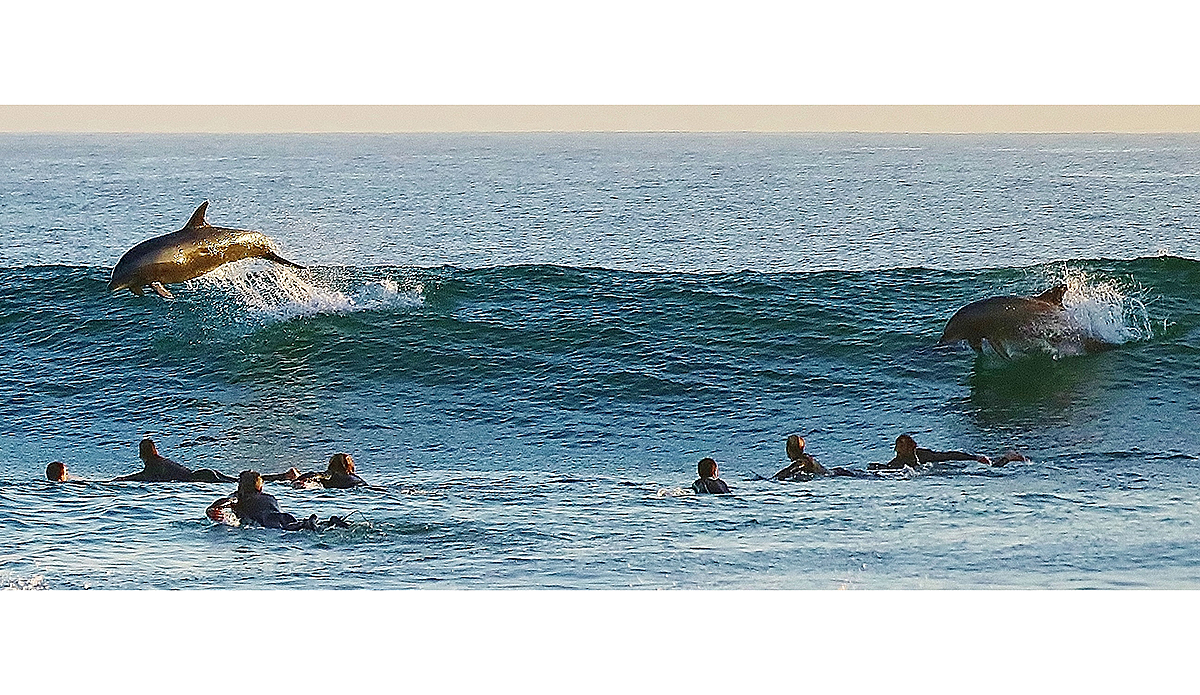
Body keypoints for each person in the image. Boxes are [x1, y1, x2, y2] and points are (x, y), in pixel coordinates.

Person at [113, 438, 298, 483]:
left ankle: (284, 476)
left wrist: (121, 480)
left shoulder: (153, 465)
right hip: (203, 473)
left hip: (201, 478)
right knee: (238, 481)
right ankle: (284, 476)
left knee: (239, 482)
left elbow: (142, 477)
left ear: (142, 453)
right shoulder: (160, 461)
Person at [206, 470, 319, 531]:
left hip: (264, 520)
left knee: (288, 528)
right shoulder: (269, 496)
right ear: (260, 488)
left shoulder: (240, 497)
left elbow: (229, 501)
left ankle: (306, 524)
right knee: (293, 525)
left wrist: (213, 508)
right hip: (283, 516)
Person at [868, 434, 1026, 470]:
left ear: (910, 447)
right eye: (896, 446)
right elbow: (890, 468)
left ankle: (1008, 457)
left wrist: (974, 458)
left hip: (956, 468)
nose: (896, 450)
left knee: (994, 468)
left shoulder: (922, 455)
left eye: (900, 446)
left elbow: (948, 456)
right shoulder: (900, 460)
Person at [773, 435, 857, 479]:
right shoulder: (806, 459)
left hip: (836, 474)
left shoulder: (802, 463)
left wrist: (771, 480)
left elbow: (787, 472)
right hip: (836, 472)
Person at [293, 453, 367, 489]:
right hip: (359, 487)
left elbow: (317, 475)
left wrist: (299, 478)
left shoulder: (331, 474)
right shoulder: (356, 478)